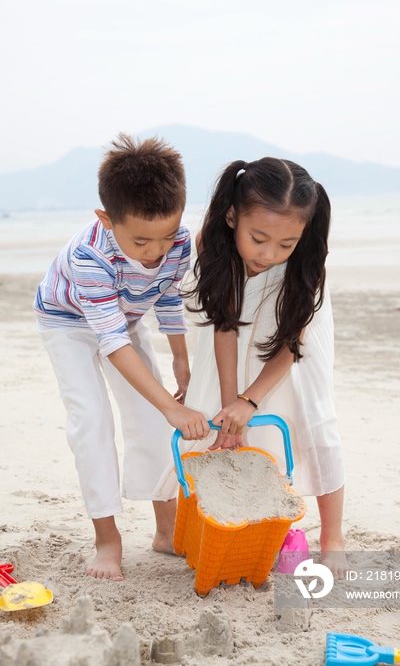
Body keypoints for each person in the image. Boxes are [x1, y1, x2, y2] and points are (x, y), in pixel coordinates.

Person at [154, 156, 348, 577]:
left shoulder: (305, 262)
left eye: (285, 244)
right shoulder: (212, 243)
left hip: (291, 340)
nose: (268, 254)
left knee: (312, 415)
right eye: (258, 238)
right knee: (225, 420)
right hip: (232, 333)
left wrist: (252, 398)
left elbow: (293, 344)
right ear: (231, 217)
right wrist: (233, 406)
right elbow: (224, 325)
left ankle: (332, 536)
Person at [34, 134, 210, 581]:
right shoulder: (89, 256)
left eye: (167, 236)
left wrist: (180, 361)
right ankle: (107, 541)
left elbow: (167, 296)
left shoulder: (179, 243)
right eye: (142, 242)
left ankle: (166, 532)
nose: (156, 252)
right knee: (92, 421)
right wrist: (173, 407)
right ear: (106, 219)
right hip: (67, 321)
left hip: (125, 318)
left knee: (150, 420)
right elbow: (112, 344)